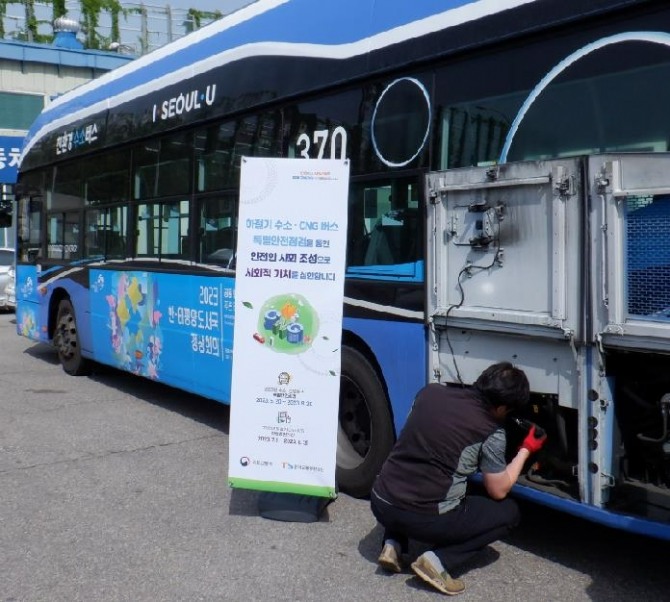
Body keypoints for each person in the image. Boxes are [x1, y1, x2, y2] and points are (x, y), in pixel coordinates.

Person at [370, 361, 546, 596]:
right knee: (509, 513)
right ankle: (438, 561)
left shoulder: (430, 392)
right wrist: (526, 449)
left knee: (411, 476)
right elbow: (498, 490)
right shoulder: (491, 430)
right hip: (422, 517)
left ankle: (393, 544)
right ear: (503, 407)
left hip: (381, 500)